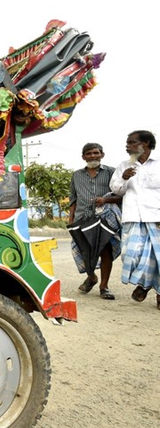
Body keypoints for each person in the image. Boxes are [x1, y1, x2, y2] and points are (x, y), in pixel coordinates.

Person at [109, 130, 160, 311]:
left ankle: (156, 291)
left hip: (156, 218)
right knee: (131, 256)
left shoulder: (158, 165)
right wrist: (124, 178)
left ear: (145, 143)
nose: (127, 146)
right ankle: (145, 283)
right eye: (127, 142)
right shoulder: (124, 166)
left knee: (158, 257)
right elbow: (116, 189)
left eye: (131, 142)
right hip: (132, 218)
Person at [68, 143, 121, 300]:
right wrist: (71, 219)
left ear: (102, 155)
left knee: (105, 252)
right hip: (82, 218)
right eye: (89, 153)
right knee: (85, 251)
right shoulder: (76, 175)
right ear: (83, 157)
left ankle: (104, 287)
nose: (92, 156)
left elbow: (122, 195)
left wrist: (105, 199)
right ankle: (91, 277)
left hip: (105, 218)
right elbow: (73, 197)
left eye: (96, 153)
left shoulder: (112, 172)